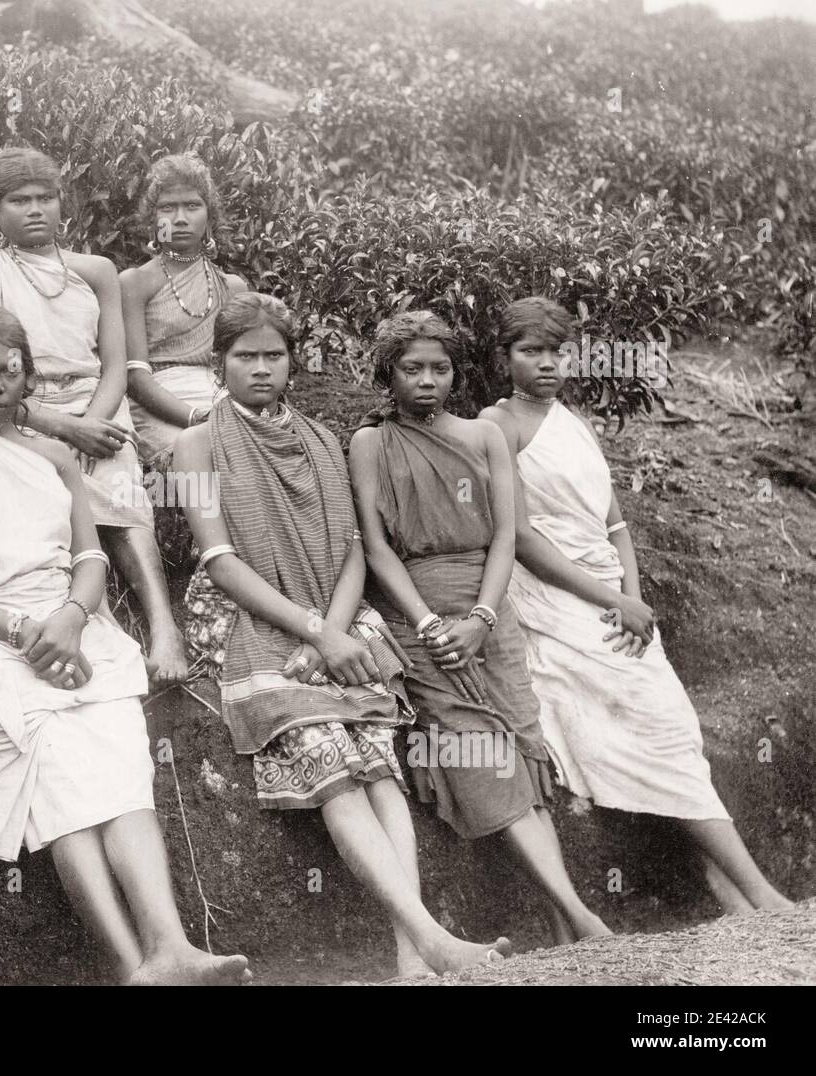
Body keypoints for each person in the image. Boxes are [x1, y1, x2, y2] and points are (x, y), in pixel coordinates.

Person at [0, 304, 251, 985]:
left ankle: (172, 947)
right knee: (61, 787)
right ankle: (129, 964)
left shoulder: (56, 454)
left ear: (29, 378)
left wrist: (67, 618)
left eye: (10, 371)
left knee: (122, 781)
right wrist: (18, 630)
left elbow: (90, 558)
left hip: (76, 630)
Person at [175, 292, 513, 976]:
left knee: (379, 765)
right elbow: (219, 560)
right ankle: (433, 940)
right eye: (246, 357)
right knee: (327, 756)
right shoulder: (196, 444)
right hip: (247, 618)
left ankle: (407, 958)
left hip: (331, 612)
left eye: (275, 355)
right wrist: (311, 631)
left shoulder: (322, 440)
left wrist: (331, 630)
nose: (262, 369)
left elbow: (357, 547)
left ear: (293, 362)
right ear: (219, 365)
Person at [480, 296, 792, 916]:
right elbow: (524, 541)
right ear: (503, 357)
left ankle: (729, 888)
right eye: (530, 351)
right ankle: (759, 892)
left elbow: (615, 525)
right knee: (651, 721)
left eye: (557, 352)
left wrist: (633, 599)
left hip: (611, 594)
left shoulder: (576, 421)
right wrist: (608, 600)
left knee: (672, 723)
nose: (546, 364)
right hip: (554, 595)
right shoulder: (499, 423)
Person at [349, 310, 611, 944]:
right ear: (389, 374)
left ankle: (560, 919)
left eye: (440, 369)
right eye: (412, 369)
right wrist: (429, 621)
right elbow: (377, 548)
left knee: (521, 751)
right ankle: (581, 916)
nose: (427, 381)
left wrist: (484, 617)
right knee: (479, 754)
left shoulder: (483, 436)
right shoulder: (370, 443)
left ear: (456, 372)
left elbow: (504, 535)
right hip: (422, 621)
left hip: (491, 616)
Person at [0, 147, 189, 686]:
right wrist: (59, 427)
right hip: (19, 411)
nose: (35, 209)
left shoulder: (96, 271)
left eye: (46, 198)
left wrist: (93, 424)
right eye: (19, 200)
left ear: (64, 205)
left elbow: (114, 366)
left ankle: (163, 625)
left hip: (97, 405)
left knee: (120, 484)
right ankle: (85, 620)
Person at [120, 153, 247, 471]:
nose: (180, 218)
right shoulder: (135, 282)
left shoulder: (232, 287)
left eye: (192, 206)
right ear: (153, 219)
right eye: (167, 207)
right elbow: (135, 377)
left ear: (209, 216)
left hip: (222, 399)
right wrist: (194, 417)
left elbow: (245, 364)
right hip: (160, 405)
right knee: (199, 459)